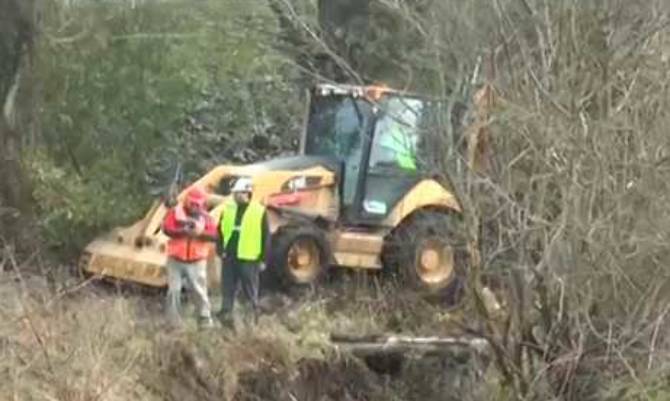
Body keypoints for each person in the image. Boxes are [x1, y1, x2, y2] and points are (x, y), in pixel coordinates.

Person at [217, 177, 270, 328]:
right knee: (227, 289)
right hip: (230, 257)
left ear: (247, 193)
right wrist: (220, 249)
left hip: (249, 258)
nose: (235, 196)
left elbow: (265, 237)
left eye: (238, 193)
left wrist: (263, 259)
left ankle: (251, 321)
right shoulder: (228, 208)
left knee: (249, 291)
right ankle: (226, 319)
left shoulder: (259, 211)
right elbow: (220, 230)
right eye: (234, 193)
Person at [161, 187, 218, 328]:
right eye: (192, 204)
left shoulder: (207, 218)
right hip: (175, 259)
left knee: (199, 291)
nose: (194, 207)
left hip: (197, 261)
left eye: (197, 205)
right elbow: (166, 229)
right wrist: (182, 231)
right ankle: (173, 322)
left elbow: (215, 236)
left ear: (202, 204)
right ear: (186, 201)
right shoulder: (175, 213)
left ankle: (204, 320)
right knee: (173, 290)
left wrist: (199, 233)